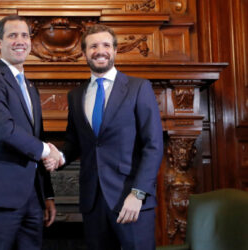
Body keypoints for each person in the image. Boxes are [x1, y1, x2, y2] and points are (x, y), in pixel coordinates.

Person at [44, 24, 163, 250]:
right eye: (94, 46)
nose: (100, 50)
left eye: (106, 45)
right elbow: (74, 143)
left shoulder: (139, 88)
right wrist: (57, 156)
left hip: (131, 200)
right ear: (84, 53)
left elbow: (153, 145)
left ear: (115, 51)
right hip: (93, 203)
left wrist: (138, 194)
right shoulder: (76, 96)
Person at [0, 14, 61, 250]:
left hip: (33, 199)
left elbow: (36, 138)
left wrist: (47, 195)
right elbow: (4, 130)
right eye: (12, 35)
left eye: (24, 35)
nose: (20, 41)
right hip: (0, 198)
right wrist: (46, 150)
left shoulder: (30, 87)